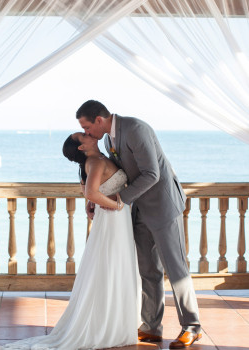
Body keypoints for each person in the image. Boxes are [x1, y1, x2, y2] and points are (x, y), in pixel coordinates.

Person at [0, 132, 141, 350]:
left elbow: (90, 192)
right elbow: (92, 193)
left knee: (115, 268)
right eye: (83, 135)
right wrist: (117, 205)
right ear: (82, 148)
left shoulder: (99, 159)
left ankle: (117, 322)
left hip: (116, 220)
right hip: (113, 220)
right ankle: (109, 326)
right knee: (112, 267)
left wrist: (106, 201)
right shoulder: (94, 161)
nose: (88, 133)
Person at [76, 100, 201, 349]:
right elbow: (117, 172)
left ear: (99, 121)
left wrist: (120, 199)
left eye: (87, 128)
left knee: (176, 269)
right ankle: (151, 327)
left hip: (163, 206)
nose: (87, 134)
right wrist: (95, 196)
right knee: (148, 271)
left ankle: (192, 327)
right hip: (139, 210)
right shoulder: (109, 140)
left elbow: (152, 174)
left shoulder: (135, 129)